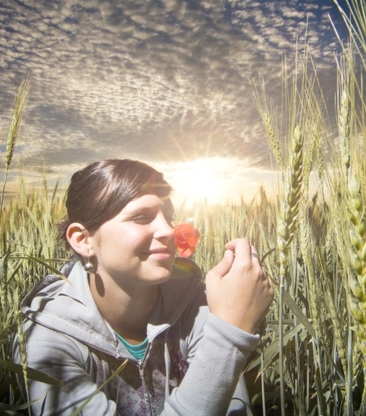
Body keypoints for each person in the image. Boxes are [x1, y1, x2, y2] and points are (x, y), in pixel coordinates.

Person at [15, 159, 274, 415]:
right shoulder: (46, 340)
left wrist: (227, 318)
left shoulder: (196, 305)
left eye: (169, 217)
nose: (168, 231)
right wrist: (229, 334)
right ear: (83, 240)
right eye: (140, 217)